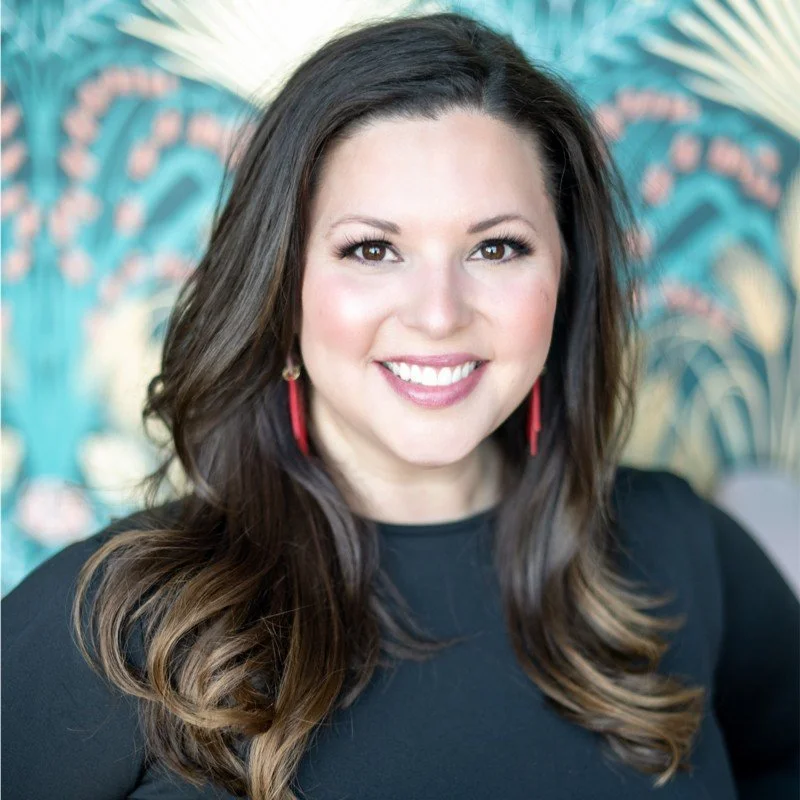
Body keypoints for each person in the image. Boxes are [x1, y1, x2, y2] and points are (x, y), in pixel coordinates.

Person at [2, 11, 798, 800]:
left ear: (565, 279)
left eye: (496, 247)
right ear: (281, 290)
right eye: (372, 249)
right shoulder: (124, 619)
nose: (438, 314)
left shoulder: (681, 548)